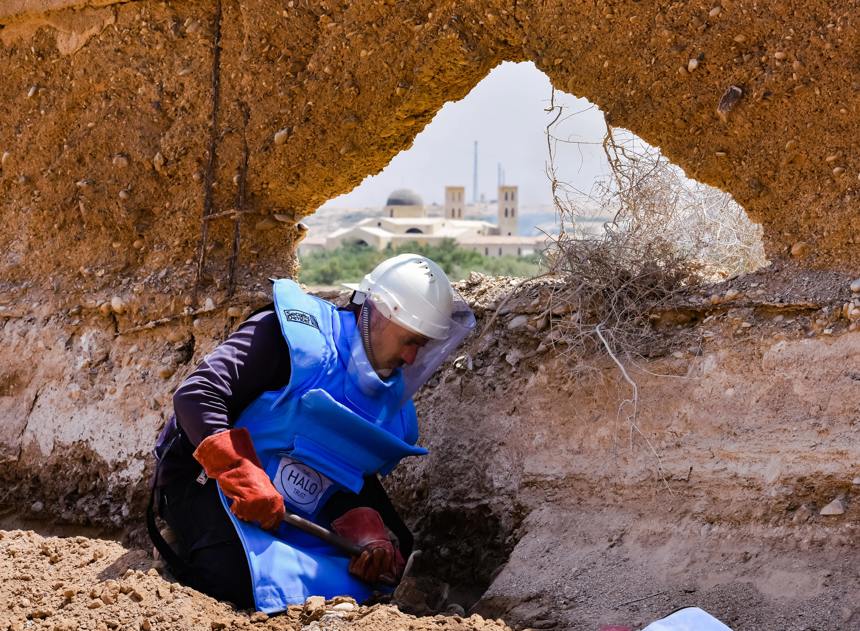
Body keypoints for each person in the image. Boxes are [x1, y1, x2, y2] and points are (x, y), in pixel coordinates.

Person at [147, 254, 475, 613]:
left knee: (386, 573)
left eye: (423, 346)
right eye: (409, 340)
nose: (412, 358)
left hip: (288, 508)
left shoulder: (391, 410)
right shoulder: (294, 337)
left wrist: (364, 523)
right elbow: (198, 395)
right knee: (232, 580)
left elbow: (339, 472)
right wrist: (239, 471)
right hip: (209, 481)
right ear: (381, 311)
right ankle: (180, 542)